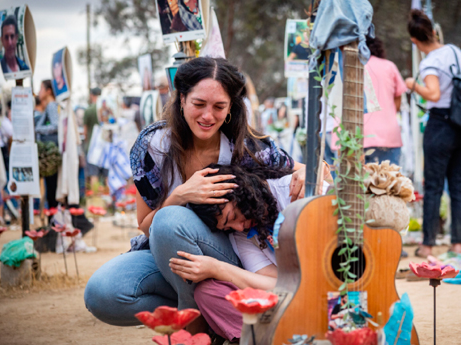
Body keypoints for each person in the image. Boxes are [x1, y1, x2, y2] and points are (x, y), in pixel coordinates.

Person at [84, 57, 321, 329]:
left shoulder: (243, 148)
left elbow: (308, 170)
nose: (208, 116)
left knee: (170, 221)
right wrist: (180, 195)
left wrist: (312, 171)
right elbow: (145, 225)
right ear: (181, 99)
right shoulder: (152, 147)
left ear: (231, 107)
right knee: (102, 294)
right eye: (199, 104)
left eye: (219, 106)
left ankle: (193, 328)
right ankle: (207, 309)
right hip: (168, 250)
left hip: (231, 256)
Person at [182, 163, 328, 342]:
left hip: (336, 289)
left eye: (233, 216)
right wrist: (216, 269)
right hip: (296, 305)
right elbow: (279, 286)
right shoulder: (241, 235)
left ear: (240, 190)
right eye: (227, 227)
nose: (239, 227)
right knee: (207, 292)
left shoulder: (294, 189)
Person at [405, 10, 461, 257]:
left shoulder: (429, 61)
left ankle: (428, 245)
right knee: (459, 186)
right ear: (434, 32)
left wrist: (413, 84)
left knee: (433, 186)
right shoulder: (455, 51)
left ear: (415, 41)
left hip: (441, 125)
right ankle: (458, 244)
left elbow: (433, 94)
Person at [362, 36, 407, 166]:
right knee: (390, 182)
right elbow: (398, 97)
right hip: (389, 135)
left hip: (360, 137)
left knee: (361, 185)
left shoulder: (352, 67)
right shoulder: (389, 66)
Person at [35, 80, 61, 210]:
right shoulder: (53, 105)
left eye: (41, 89)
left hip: (51, 154)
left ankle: (54, 222)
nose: (39, 92)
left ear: (48, 91)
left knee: (52, 189)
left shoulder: (51, 105)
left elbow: (56, 126)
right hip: (52, 152)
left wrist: (38, 130)